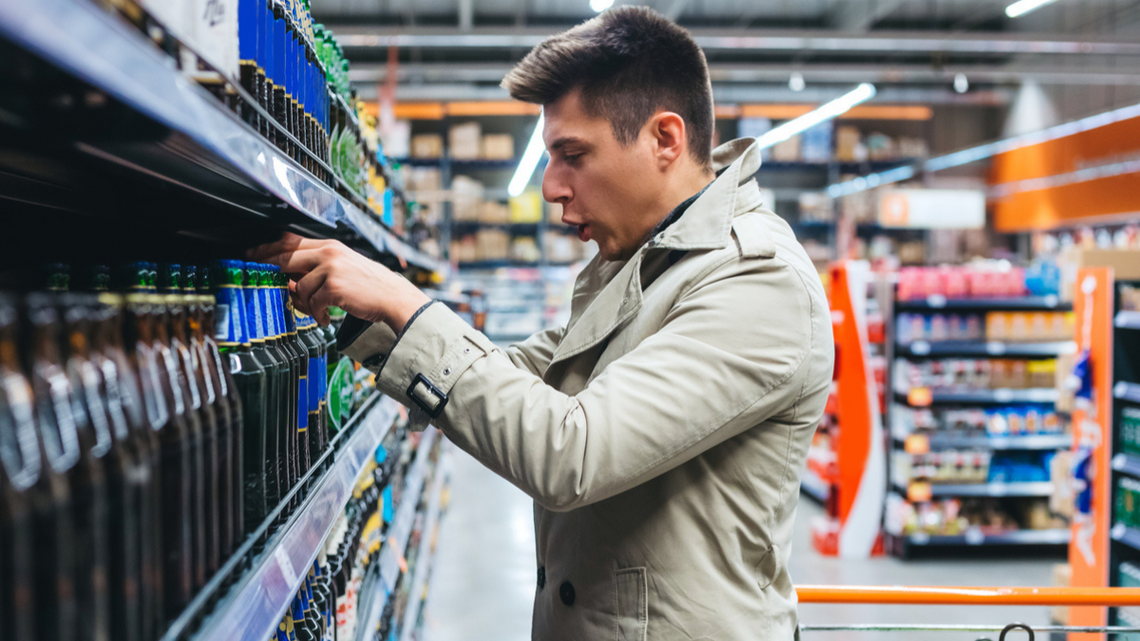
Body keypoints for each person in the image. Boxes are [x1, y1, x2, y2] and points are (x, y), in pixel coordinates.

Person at [250, 6, 833, 640]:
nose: (551, 185)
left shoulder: (758, 282)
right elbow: (528, 373)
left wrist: (402, 301)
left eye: (573, 154)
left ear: (666, 139)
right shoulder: (644, 259)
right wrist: (364, 315)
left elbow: (573, 452)